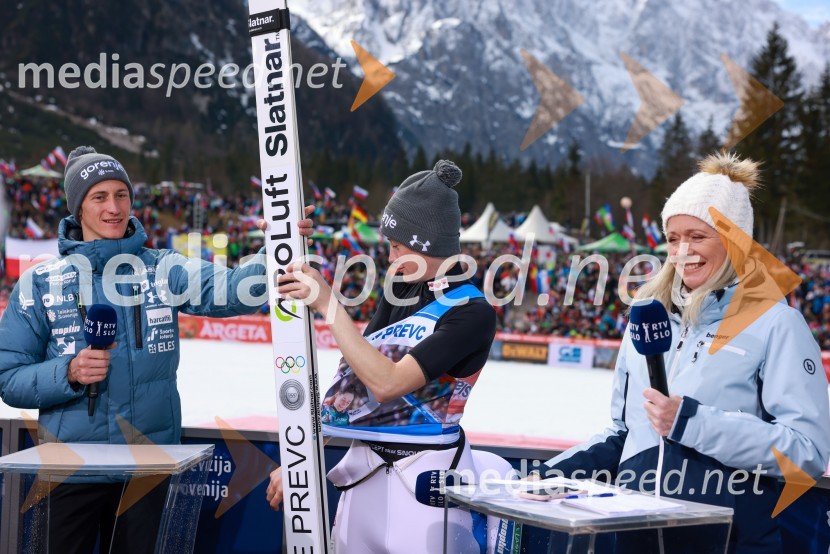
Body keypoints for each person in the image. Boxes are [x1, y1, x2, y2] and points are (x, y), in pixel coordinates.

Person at [0, 146, 314, 553]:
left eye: (121, 195)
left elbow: (235, 291)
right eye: (99, 197)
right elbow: (8, 378)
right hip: (68, 470)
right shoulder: (39, 283)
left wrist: (278, 246)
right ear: (78, 208)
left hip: (147, 469)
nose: (114, 207)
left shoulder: (162, 268)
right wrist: (69, 372)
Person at [544, 152, 830, 553]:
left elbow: (806, 454)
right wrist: (549, 473)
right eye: (673, 238)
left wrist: (692, 422)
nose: (682, 251)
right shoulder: (647, 318)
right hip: (636, 537)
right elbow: (625, 433)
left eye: (698, 237)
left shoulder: (776, 324)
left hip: (729, 541)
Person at [266, 161, 505, 552]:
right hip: (366, 472)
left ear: (427, 242)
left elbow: (388, 382)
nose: (390, 258)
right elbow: (356, 380)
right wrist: (303, 456)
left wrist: (328, 303)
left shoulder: (472, 311)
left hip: (427, 482)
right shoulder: (401, 286)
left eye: (397, 246)